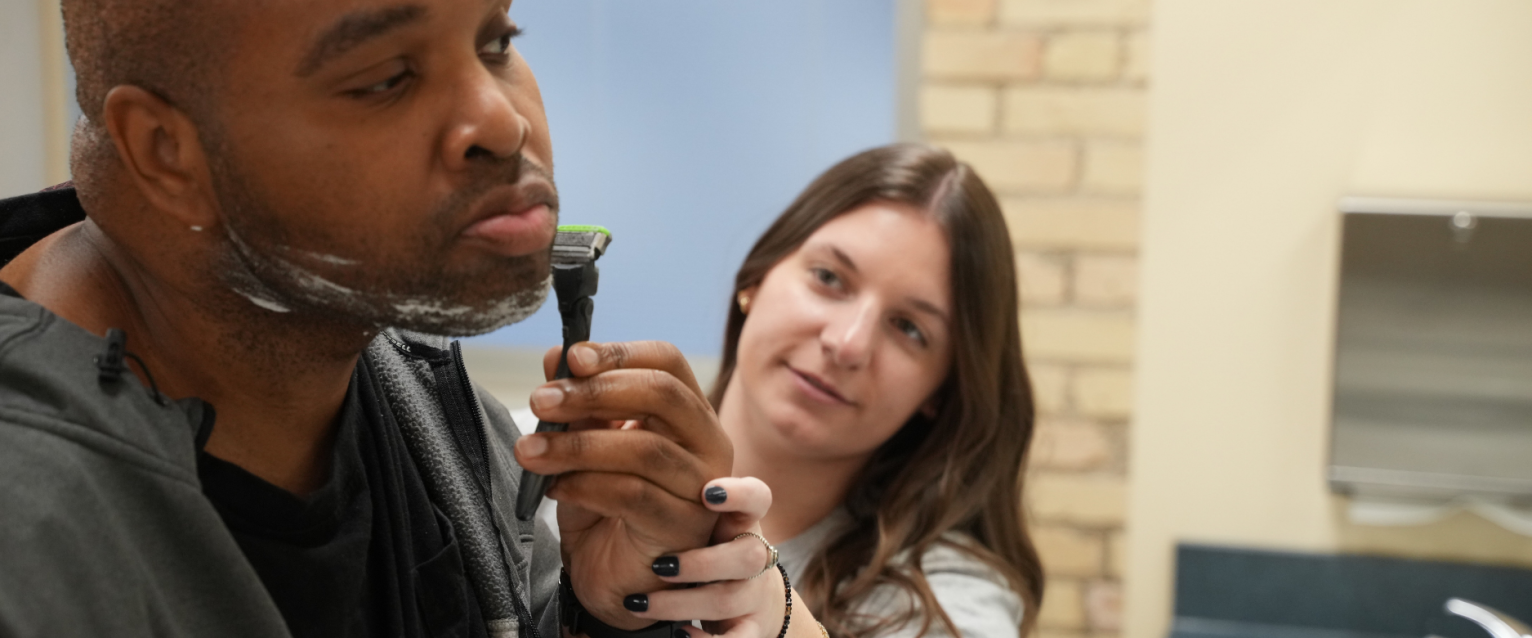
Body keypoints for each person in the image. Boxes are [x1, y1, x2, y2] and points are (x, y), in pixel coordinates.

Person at [0, 1, 815, 637]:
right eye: (385, 78)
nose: (503, 122)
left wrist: (605, 609)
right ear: (166, 150)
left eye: (496, 39)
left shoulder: (432, 407)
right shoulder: (29, 533)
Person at [708, 144, 1047, 637]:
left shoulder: (942, 599)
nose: (848, 344)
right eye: (828, 278)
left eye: (909, 328)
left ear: (941, 392)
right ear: (756, 279)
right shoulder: (576, 463)